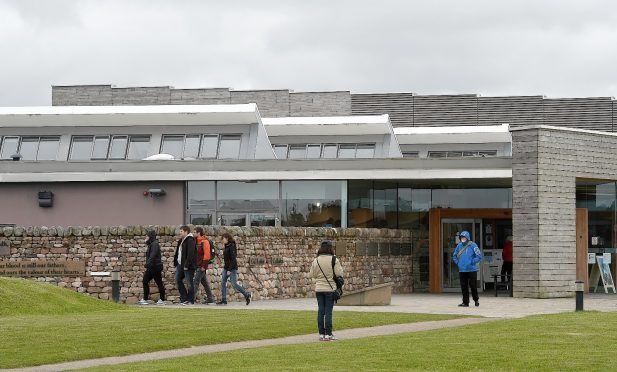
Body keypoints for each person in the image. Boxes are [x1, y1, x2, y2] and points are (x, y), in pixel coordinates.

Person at [310, 240, 344, 341]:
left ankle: (321, 334)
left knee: (321, 311)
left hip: (319, 289)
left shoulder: (316, 260)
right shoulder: (334, 260)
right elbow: (339, 273)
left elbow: (312, 275)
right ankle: (328, 334)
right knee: (328, 311)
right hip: (330, 289)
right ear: (330, 248)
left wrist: (318, 281)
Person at [217, 233, 252, 305]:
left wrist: (229, 270)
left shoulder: (231, 246)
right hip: (226, 267)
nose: (222, 241)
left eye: (223, 239)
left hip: (232, 268)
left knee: (234, 284)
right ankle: (224, 300)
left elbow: (233, 259)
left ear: (227, 238)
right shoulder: (226, 246)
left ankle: (247, 295)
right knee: (223, 283)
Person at [452, 231, 483, 307]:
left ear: (467, 238)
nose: (462, 239)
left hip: (472, 269)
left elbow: (479, 256)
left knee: (473, 286)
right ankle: (465, 302)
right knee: (464, 286)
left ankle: (476, 300)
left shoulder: (473, 245)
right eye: (461, 237)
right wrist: (458, 263)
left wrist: (472, 262)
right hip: (462, 270)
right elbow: (454, 256)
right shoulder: (459, 246)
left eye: (464, 237)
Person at [138, 230, 165, 305]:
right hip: (151, 267)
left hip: (155, 267)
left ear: (150, 237)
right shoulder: (151, 244)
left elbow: (153, 255)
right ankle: (145, 299)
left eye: (147, 236)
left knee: (159, 283)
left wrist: (147, 264)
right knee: (145, 281)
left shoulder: (155, 244)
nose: (145, 238)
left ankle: (162, 300)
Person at [173, 225, 197, 305]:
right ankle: (184, 298)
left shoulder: (190, 240)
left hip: (188, 265)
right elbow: (178, 252)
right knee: (177, 279)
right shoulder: (181, 240)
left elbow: (190, 254)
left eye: (181, 231)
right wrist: (175, 261)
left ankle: (190, 300)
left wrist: (186, 265)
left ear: (186, 232)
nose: (180, 233)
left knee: (189, 283)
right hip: (180, 264)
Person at [193, 227, 215, 305]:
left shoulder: (204, 242)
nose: (193, 233)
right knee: (204, 282)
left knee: (195, 282)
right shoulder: (196, 241)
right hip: (198, 265)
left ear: (199, 233)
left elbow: (207, 255)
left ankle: (191, 299)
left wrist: (204, 266)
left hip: (201, 266)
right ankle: (210, 298)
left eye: (195, 232)